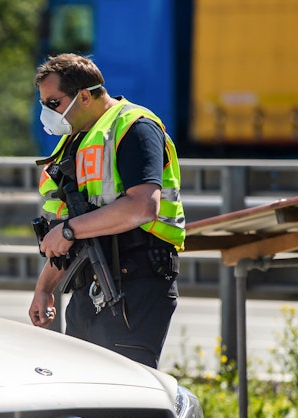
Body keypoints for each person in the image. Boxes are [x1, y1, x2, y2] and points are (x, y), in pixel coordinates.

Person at [28, 53, 185, 368]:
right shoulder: (75, 143)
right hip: (90, 286)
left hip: (136, 285)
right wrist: (45, 288)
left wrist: (70, 230)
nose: (47, 112)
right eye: (43, 103)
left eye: (53, 102)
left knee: (123, 395)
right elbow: (71, 229)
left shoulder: (135, 127)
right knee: (78, 390)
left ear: (84, 96)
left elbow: (143, 206)